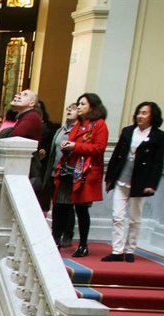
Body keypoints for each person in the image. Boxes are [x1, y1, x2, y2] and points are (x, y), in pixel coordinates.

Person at [104, 101, 164, 262]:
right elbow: (116, 155)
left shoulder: (159, 136)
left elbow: (158, 163)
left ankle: (130, 249)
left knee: (134, 218)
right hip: (121, 179)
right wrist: (109, 178)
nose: (140, 116)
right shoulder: (128, 131)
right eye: (139, 112)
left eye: (144, 113)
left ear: (152, 116)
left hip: (140, 181)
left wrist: (152, 184)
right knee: (117, 216)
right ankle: (117, 251)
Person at [53, 92, 109, 257]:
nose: (79, 107)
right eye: (78, 103)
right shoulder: (78, 124)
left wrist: (75, 146)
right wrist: (66, 146)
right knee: (60, 205)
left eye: (83, 104)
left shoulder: (99, 125)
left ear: (93, 107)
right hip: (68, 170)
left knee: (81, 209)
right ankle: (55, 241)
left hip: (84, 172)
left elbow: (99, 148)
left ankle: (83, 245)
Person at [46, 102, 79, 245]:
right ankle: (56, 234)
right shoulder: (60, 130)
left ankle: (67, 234)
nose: (69, 110)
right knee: (57, 204)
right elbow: (53, 152)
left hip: (68, 173)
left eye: (74, 109)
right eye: (68, 108)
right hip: (55, 171)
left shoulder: (78, 131)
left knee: (67, 205)